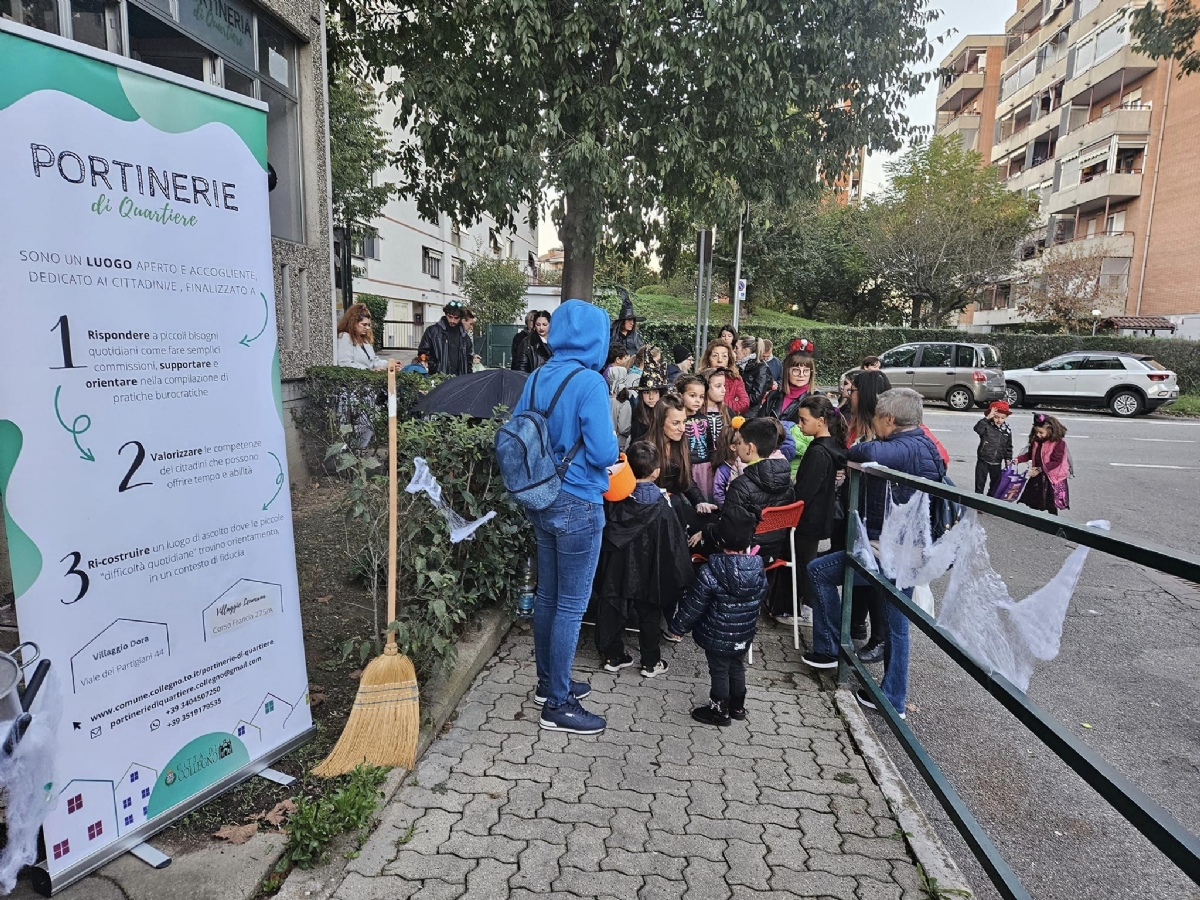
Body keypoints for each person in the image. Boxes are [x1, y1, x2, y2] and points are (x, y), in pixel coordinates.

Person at [802, 388, 946, 720]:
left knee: (821, 572)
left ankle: (833, 650)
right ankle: (890, 693)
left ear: (890, 419)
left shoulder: (904, 447)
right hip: (899, 549)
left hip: (892, 552)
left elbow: (859, 452)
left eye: (878, 419)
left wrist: (862, 448)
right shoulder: (923, 443)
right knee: (895, 622)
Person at [510, 299, 618, 735]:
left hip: (541, 497)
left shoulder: (537, 375)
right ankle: (557, 704)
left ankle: (547, 683)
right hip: (579, 502)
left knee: (549, 598)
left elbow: (520, 428)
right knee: (572, 607)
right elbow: (604, 452)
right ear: (597, 337)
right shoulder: (590, 382)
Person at [593, 442, 693, 678]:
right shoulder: (663, 506)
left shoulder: (615, 502)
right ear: (657, 471)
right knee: (650, 615)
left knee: (612, 607)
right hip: (651, 570)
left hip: (617, 568)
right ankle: (650, 662)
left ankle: (612, 656)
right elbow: (674, 543)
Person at [668, 503, 767, 726]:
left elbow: (694, 605)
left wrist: (677, 627)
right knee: (737, 666)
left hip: (717, 636)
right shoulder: (758, 571)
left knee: (719, 670)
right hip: (743, 634)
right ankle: (738, 706)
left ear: (720, 542)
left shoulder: (710, 572)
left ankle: (719, 711)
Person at [693, 417, 793, 562]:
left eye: (739, 443)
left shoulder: (741, 485)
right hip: (775, 551)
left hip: (744, 554)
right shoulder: (787, 482)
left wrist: (706, 531)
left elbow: (729, 534)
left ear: (750, 448)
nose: (737, 447)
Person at [787, 395, 849, 626]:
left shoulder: (818, 451)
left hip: (808, 517)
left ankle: (810, 607)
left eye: (803, 420)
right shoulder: (831, 446)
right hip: (819, 515)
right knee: (807, 559)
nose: (800, 425)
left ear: (821, 421)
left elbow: (805, 490)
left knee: (806, 563)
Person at [650, 394, 718, 527]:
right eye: (675, 423)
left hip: (676, 507)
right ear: (660, 422)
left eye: (684, 421)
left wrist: (699, 502)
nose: (682, 428)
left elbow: (687, 480)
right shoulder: (643, 447)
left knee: (714, 522)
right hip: (653, 512)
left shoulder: (681, 442)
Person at [1017, 413, 1071, 515]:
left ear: (1050, 431)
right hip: (1038, 474)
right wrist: (1019, 459)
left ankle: (1053, 521)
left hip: (1052, 476)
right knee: (1036, 498)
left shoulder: (1059, 443)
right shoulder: (1036, 441)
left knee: (1051, 501)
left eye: (1041, 432)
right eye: (1036, 432)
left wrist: (1039, 469)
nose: (1038, 435)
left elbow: (1056, 461)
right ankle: (1037, 518)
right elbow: (1030, 454)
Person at [758, 346, 817, 423]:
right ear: (787, 371)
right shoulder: (773, 396)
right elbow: (759, 424)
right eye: (796, 370)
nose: (801, 375)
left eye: (806, 371)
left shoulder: (817, 399)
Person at [678, 374, 713, 500]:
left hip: (705, 468)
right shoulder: (678, 421)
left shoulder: (704, 419)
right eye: (692, 396)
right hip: (686, 468)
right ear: (681, 395)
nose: (698, 400)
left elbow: (710, 444)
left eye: (701, 397)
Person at [417, 300, 473, 376]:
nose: (452, 321)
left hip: (459, 379)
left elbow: (468, 360)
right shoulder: (432, 331)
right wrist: (432, 367)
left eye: (456, 318)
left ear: (460, 318)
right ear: (446, 314)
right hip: (438, 377)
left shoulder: (465, 338)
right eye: (450, 317)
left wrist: (468, 377)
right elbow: (423, 352)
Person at [974, 400, 1013, 495]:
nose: (999, 420)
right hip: (983, 459)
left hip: (997, 461)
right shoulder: (986, 425)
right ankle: (977, 500)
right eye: (996, 417)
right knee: (980, 482)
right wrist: (987, 418)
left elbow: (1008, 446)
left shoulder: (1006, 430)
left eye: (1002, 418)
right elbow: (977, 429)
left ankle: (989, 499)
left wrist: (1008, 458)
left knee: (995, 483)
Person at [702, 340, 749, 415]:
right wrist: (733, 402)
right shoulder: (700, 379)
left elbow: (744, 404)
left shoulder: (735, 379)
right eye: (715, 355)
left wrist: (719, 403)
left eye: (724, 356)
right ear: (708, 359)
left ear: (729, 360)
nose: (720, 360)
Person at [335, 303, 388, 370]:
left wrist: (389, 364)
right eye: (364, 324)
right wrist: (370, 371)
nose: (367, 328)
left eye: (368, 325)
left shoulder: (364, 339)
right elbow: (346, 364)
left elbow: (373, 361)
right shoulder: (344, 337)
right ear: (353, 323)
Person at [733, 337, 772, 414]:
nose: (734, 350)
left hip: (750, 415)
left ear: (746, 351)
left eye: (737, 348)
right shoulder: (738, 366)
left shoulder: (761, 367)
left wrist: (736, 397)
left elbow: (756, 397)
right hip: (736, 410)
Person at [631, 369, 666, 444]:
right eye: (646, 393)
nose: (651, 397)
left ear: (661, 394)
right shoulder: (638, 416)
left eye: (655, 392)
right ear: (641, 395)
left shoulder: (666, 412)